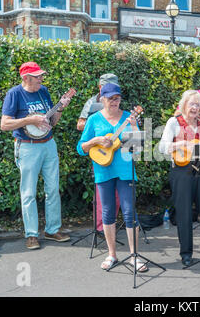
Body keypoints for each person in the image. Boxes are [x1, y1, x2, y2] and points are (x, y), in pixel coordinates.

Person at [77, 83, 148, 272]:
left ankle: (134, 256)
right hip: (103, 171)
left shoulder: (128, 118)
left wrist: (134, 127)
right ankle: (112, 255)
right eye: (110, 98)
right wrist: (95, 141)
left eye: (117, 98)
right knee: (107, 213)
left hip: (126, 171)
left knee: (129, 213)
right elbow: (81, 147)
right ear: (102, 99)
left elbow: (140, 146)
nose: (114, 102)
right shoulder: (93, 120)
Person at [0, 61, 72, 250]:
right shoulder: (14, 94)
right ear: (26, 78)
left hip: (48, 144)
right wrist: (29, 119)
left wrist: (61, 107)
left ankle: (52, 229)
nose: (41, 79)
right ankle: (31, 234)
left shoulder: (43, 91)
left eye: (41, 75)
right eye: (37, 76)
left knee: (53, 189)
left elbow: (52, 121)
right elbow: (4, 124)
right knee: (29, 193)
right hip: (27, 147)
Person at [159, 90, 200, 268]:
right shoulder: (174, 122)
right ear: (184, 104)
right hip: (181, 171)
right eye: (192, 104)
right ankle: (186, 253)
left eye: (198, 104)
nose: (196, 107)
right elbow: (162, 147)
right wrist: (180, 144)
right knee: (184, 213)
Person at [77, 73, 120, 232]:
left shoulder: (117, 100)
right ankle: (101, 228)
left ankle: (110, 225)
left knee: (116, 194)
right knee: (103, 194)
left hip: (116, 151)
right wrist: (96, 123)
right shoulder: (91, 103)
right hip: (99, 150)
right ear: (100, 87)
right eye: (107, 86)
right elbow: (80, 124)